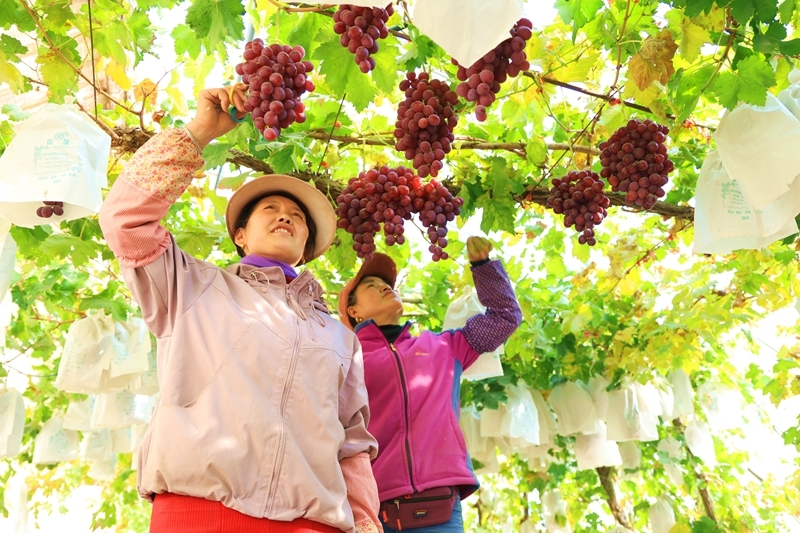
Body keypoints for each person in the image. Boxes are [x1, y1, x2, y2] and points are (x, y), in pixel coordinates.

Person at [99, 86, 381, 533]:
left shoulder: (341, 337)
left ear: (306, 246)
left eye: (298, 216)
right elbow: (124, 220)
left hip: (314, 524)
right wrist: (200, 131)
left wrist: (366, 524)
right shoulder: (192, 286)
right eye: (270, 208)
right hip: (199, 514)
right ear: (241, 237)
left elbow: (352, 443)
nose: (285, 215)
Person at [337, 238, 522, 532]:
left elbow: (505, 318)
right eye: (371, 285)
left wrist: (483, 267)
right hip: (371, 510)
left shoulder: (444, 346)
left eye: (388, 284)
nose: (386, 287)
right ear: (353, 311)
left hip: (442, 507)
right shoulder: (343, 359)